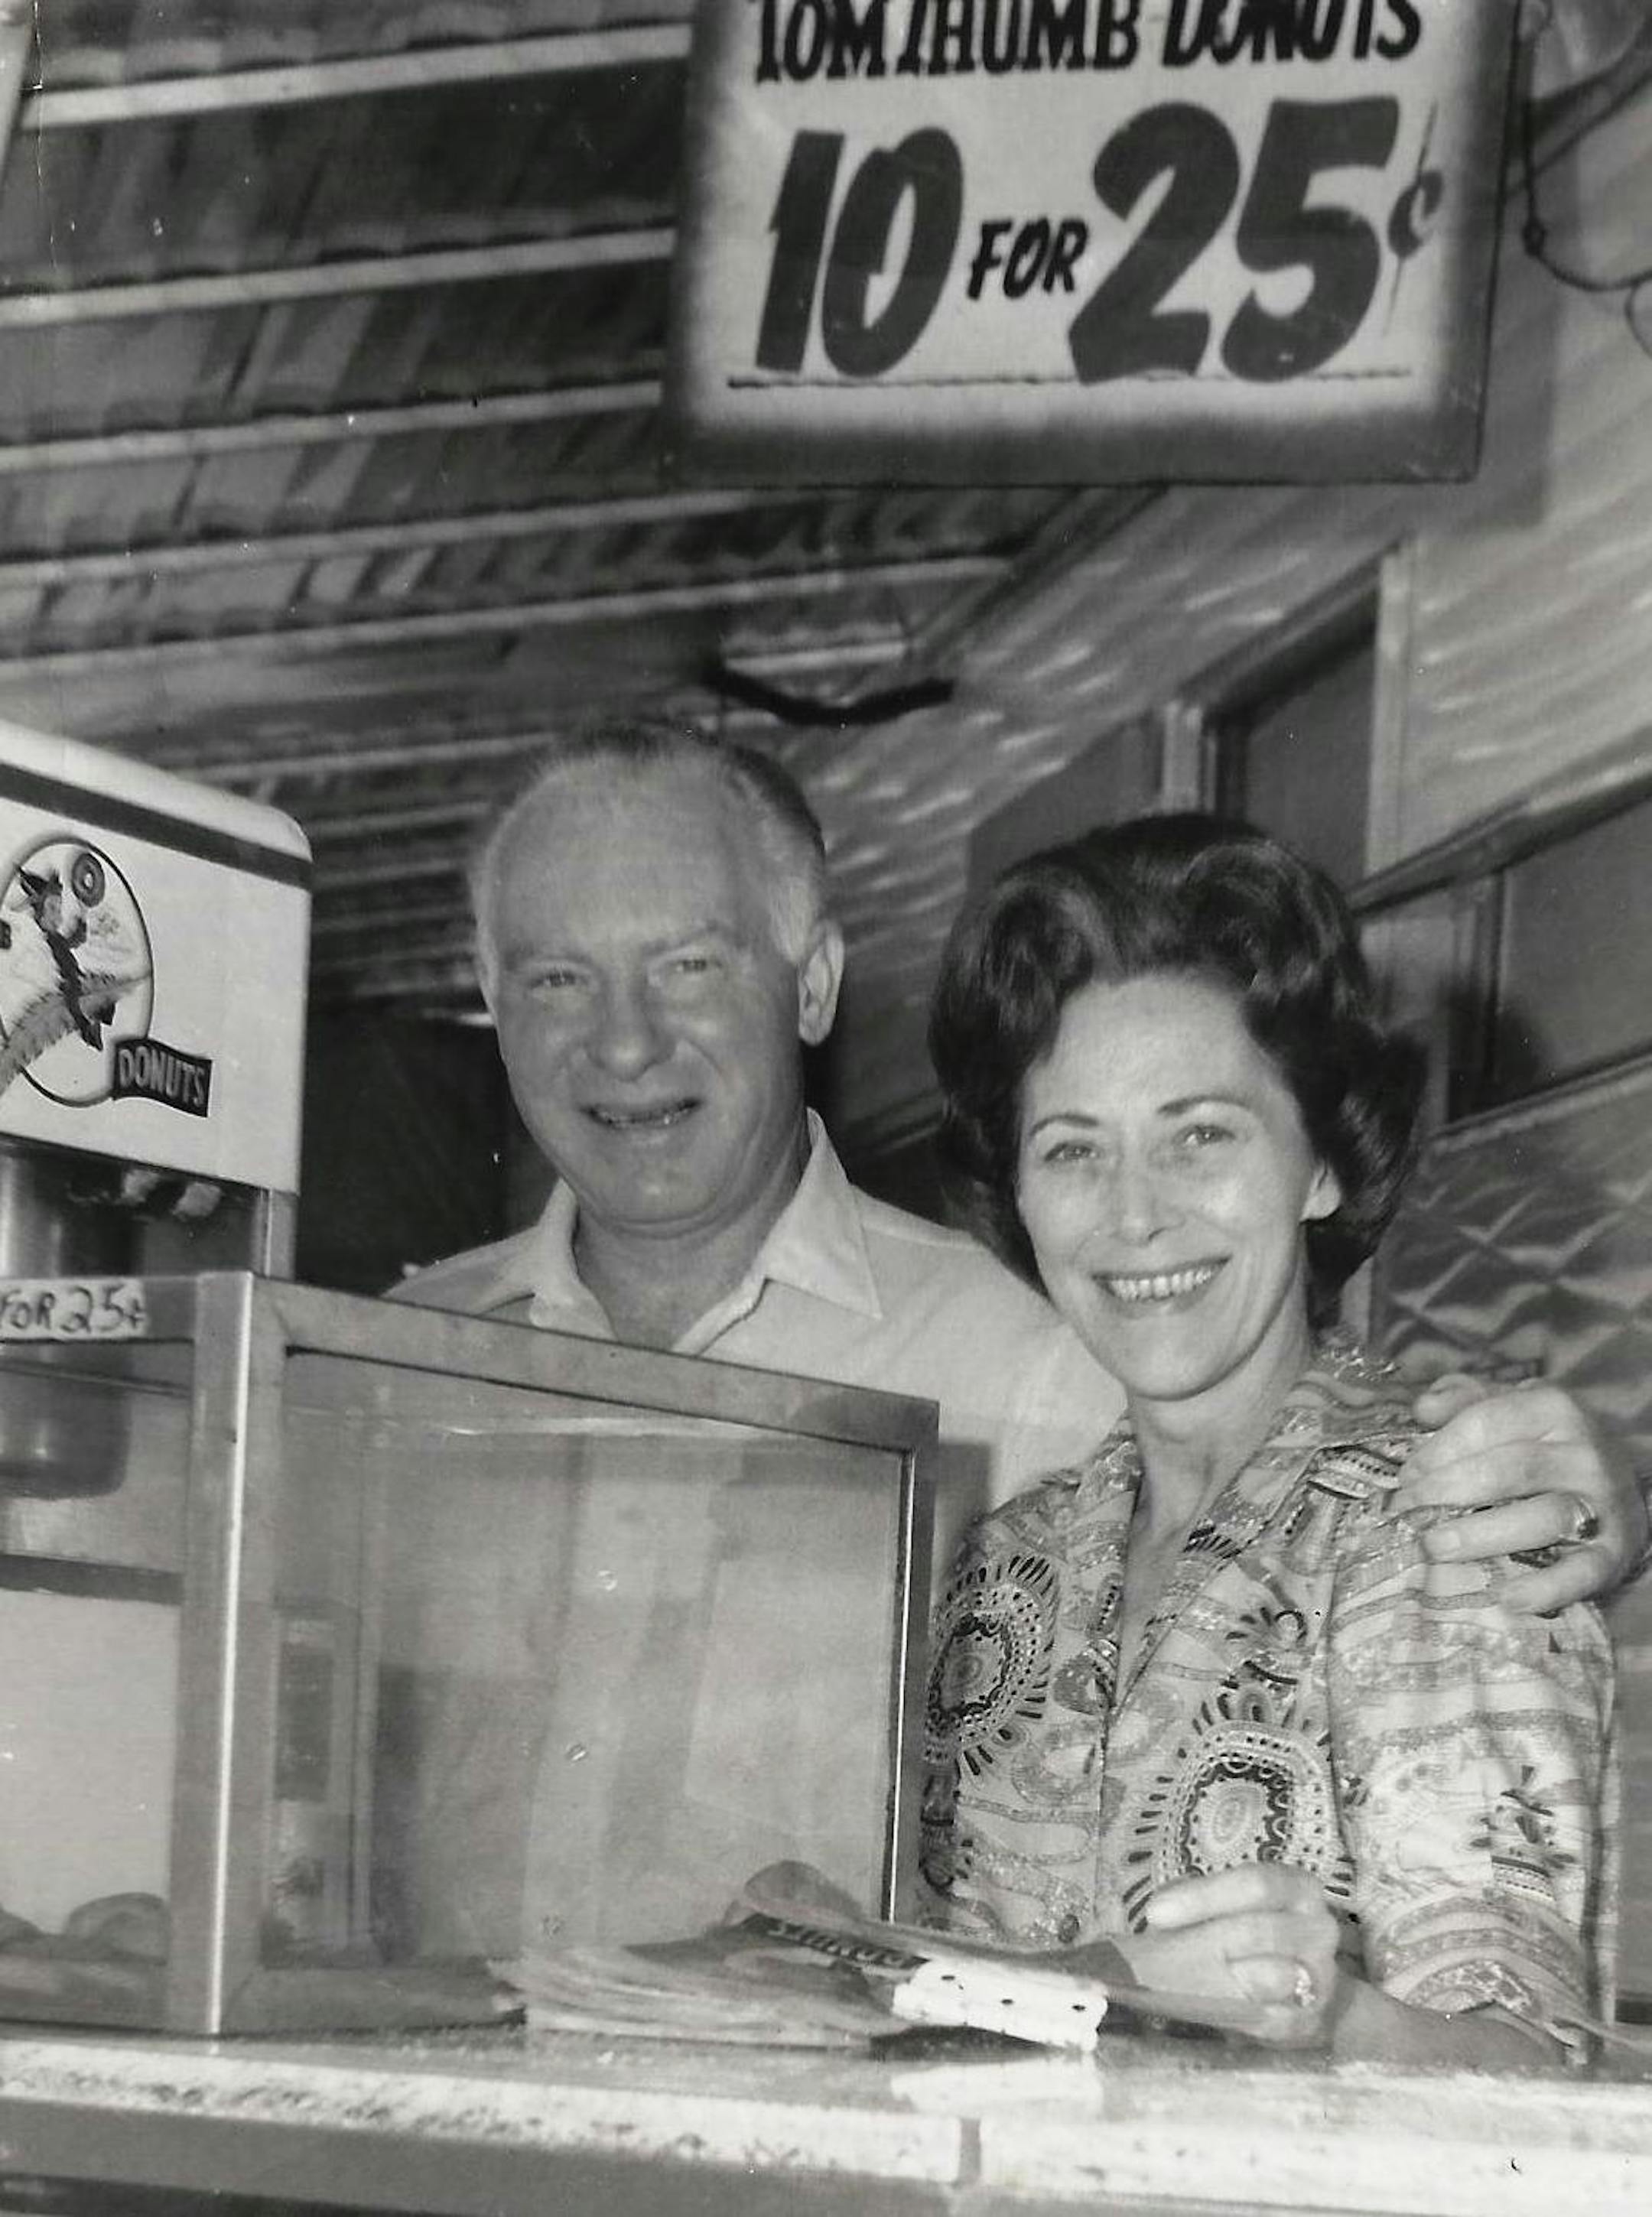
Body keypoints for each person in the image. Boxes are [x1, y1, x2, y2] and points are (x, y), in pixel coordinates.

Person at [397, 716, 1644, 1604]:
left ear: (814, 983)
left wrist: (1599, 1499)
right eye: (559, 979)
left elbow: (1325, 1483)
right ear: (490, 999)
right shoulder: (374, 1357)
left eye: (689, 968)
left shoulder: (1044, 1361)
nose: (624, 1042)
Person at [920, 817, 1617, 2063]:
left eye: (1202, 1135)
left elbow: (1529, 2075)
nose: (1136, 1215)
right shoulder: (998, 1568)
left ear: (1321, 1166)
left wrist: (1335, 2017)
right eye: (1073, 1150)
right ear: (1018, 1200)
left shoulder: (1455, 1518)